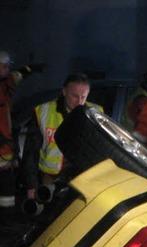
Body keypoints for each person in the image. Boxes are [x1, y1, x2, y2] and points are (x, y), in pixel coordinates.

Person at [23, 73, 102, 199]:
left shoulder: (96, 114)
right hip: (49, 178)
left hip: (81, 179)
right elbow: (31, 152)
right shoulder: (43, 111)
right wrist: (31, 185)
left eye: (84, 96)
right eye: (75, 96)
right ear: (64, 91)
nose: (79, 102)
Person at [0, 51, 42, 215]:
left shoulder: (6, 82)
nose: (7, 69)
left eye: (7, 66)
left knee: (7, 195)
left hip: (5, 153)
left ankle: (6, 223)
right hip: (3, 149)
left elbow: (18, 75)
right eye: (3, 66)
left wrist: (30, 68)